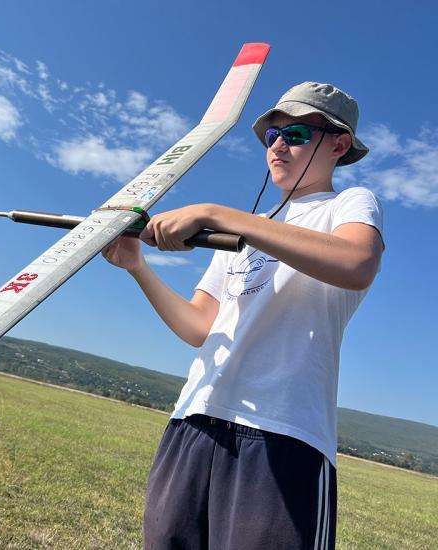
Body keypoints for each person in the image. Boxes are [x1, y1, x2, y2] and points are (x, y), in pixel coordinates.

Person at [103, 82, 385, 549]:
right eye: (271, 136)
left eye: (294, 133)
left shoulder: (349, 203)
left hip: (285, 433)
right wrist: (138, 267)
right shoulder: (243, 231)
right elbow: (199, 328)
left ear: (337, 144)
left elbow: (356, 264)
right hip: (194, 418)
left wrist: (217, 213)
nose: (277, 145)